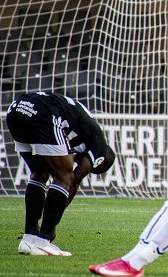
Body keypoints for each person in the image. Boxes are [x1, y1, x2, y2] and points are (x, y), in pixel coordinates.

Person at [5, 92, 117, 256]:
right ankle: (43, 241)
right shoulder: (100, 147)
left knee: (39, 172)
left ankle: (29, 239)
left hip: (17, 108)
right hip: (43, 114)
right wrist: (50, 225)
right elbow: (74, 180)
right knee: (65, 176)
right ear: (100, 161)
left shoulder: (79, 134)